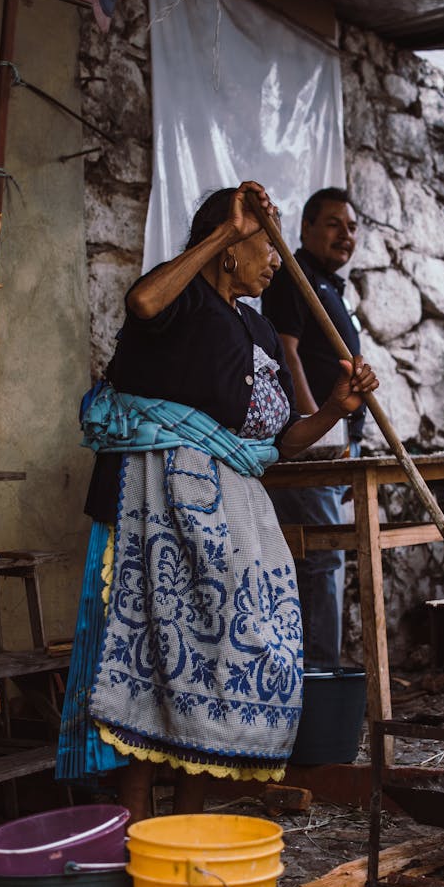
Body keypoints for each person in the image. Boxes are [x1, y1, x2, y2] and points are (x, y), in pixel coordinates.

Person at [56, 181, 378, 823]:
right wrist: (226, 231)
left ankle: (193, 819)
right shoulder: (181, 301)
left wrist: (338, 410)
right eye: (266, 244)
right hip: (154, 507)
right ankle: (139, 825)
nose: (278, 260)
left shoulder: (255, 326)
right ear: (228, 249)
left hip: (230, 510)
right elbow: (142, 300)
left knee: (218, 657)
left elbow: (282, 439)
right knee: (155, 654)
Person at [261, 187, 363, 670]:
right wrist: (314, 428)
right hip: (314, 444)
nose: (346, 235)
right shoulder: (294, 277)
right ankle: (320, 673)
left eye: (352, 226)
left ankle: (318, 669)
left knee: (325, 558)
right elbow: (287, 349)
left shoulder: (326, 284)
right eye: (333, 224)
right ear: (304, 228)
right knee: (321, 558)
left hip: (335, 438)